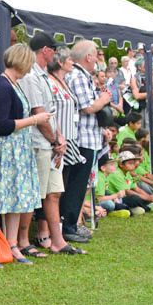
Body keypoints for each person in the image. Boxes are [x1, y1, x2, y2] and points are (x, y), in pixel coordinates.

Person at [0, 44, 49, 265]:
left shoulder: (15, 84)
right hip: (7, 150)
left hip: (19, 149)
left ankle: (12, 244)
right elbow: (2, 124)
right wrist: (34, 120)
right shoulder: (3, 86)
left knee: (18, 198)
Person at [17, 32, 63, 260]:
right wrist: (54, 140)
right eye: (54, 49)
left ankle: (58, 240)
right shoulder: (31, 75)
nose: (55, 54)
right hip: (39, 142)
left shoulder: (44, 74)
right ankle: (22, 241)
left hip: (51, 142)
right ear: (45, 50)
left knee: (54, 192)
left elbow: (52, 111)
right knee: (34, 195)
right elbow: (38, 112)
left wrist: (59, 138)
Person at [61, 40, 111, 244]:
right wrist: (104, 99)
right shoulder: (78, 76)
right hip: (83, 138)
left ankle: (72, 223)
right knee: (76, 185)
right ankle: (69, 226)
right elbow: (87, 107)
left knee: (81, 185)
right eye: (96, 54)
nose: (98, 59)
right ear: (88, 57)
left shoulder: (80, 75)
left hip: (89, 136)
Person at [43, 47, 86, 255]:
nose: (72, 62)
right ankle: (45, 232)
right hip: (56, 140)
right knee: (53, 189)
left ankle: (56, 231)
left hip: (70, 139)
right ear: (60, 62)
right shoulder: (51, 83)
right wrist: (56, 139)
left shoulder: (65, 82)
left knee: (61, 188)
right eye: (69, 59)